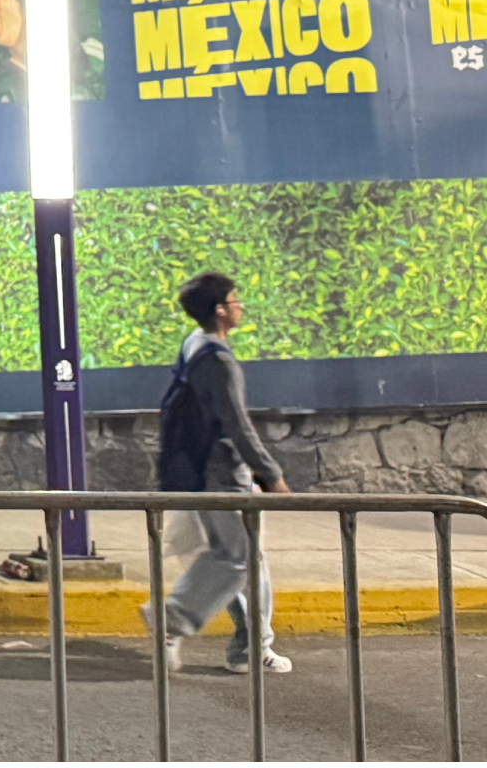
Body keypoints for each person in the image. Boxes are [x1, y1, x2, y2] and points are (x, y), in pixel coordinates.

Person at [144, 272, 294, 676]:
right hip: (221, 473)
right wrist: (270, 473)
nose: (240, 305)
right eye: (235, 299)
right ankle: (174, 619)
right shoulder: (218, 361)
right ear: (220, 310)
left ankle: (250, 646)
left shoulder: (193, 346)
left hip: (202, 471)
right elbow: (236, 423)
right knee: (238, 559)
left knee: (243, 559)